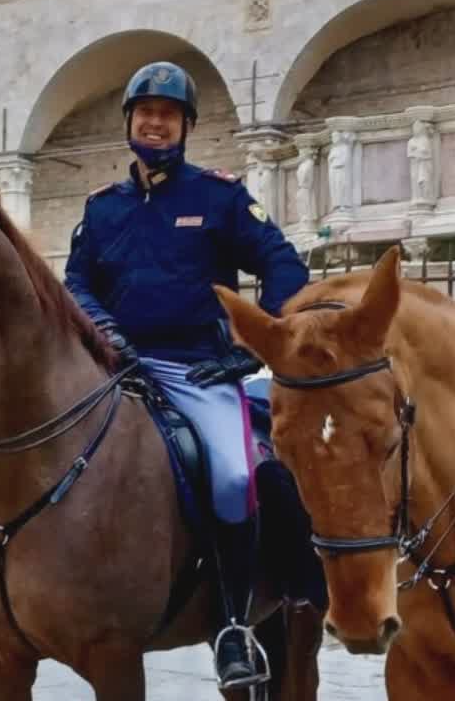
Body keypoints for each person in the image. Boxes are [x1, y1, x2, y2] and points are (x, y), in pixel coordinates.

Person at [64, 60, 309, 691]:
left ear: (186, 127)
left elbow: (283, 265)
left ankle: (231, 624)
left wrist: (256, 343)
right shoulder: (101, 209)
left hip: (196, 369)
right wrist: (102, 328)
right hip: (115, 369)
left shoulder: (219, 197)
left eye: (168, 115)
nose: (155, 122)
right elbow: (77, 283)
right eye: (145, 112)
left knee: (232, 474)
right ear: (129, 123)